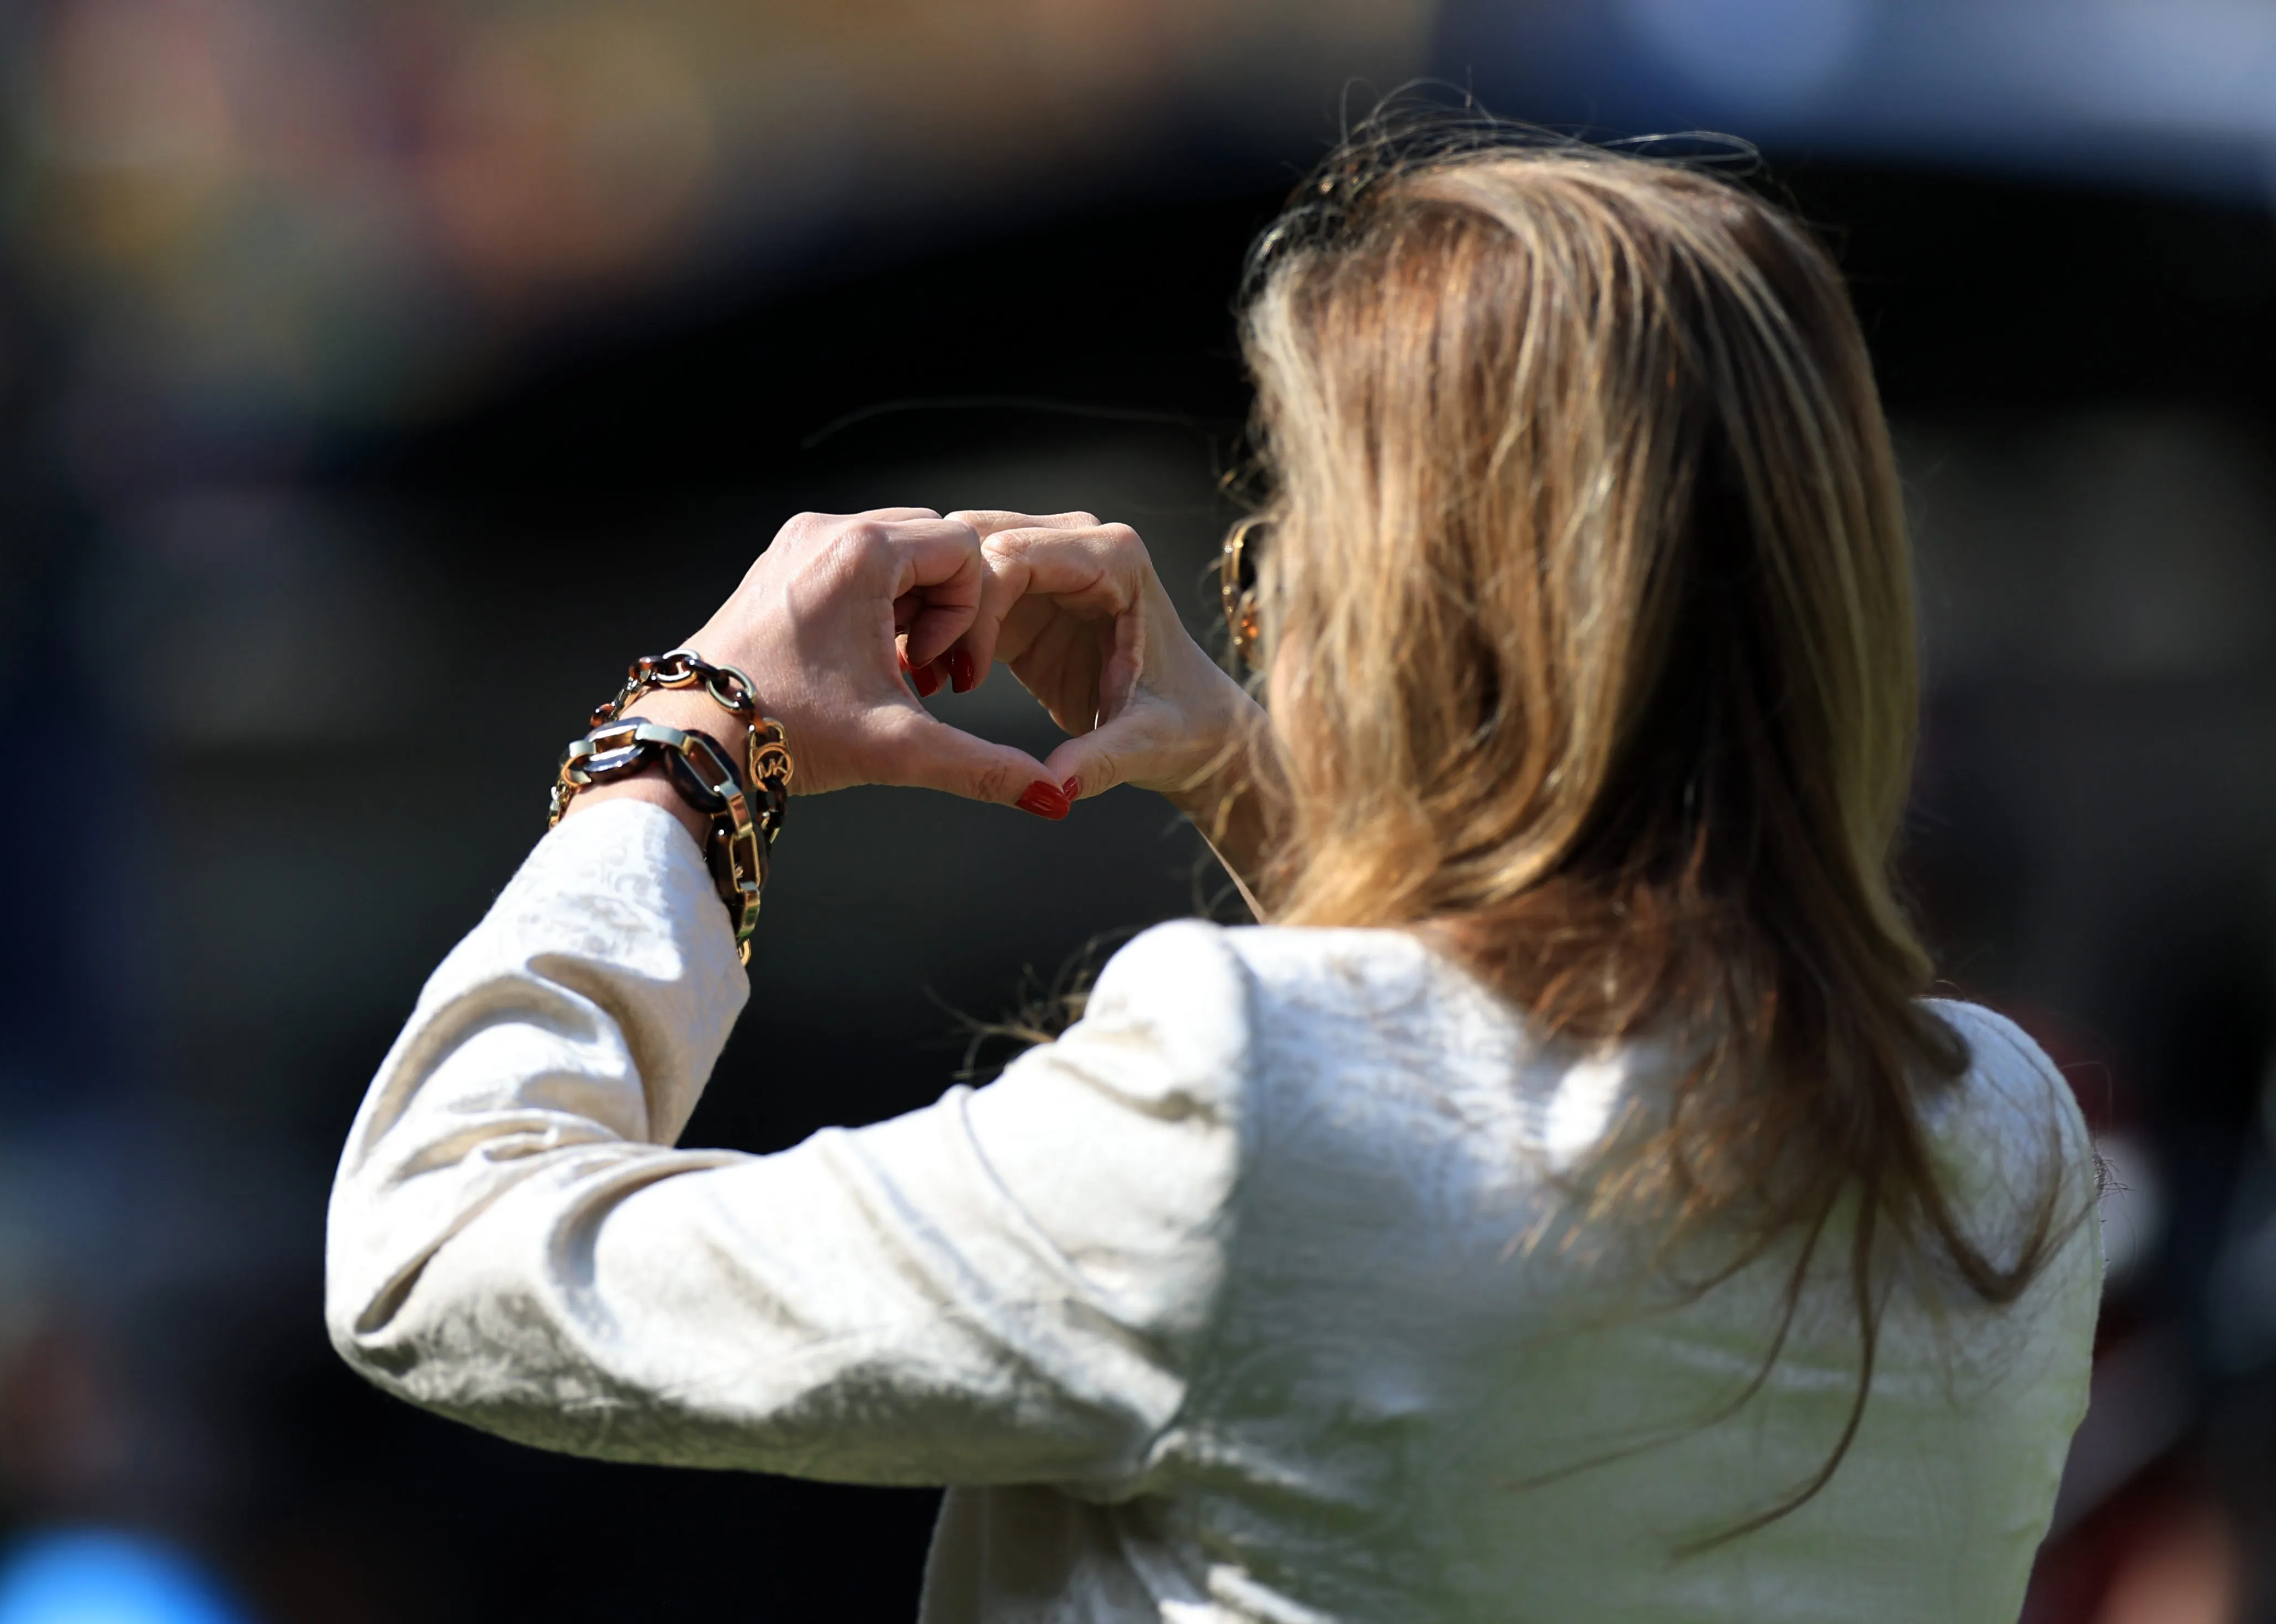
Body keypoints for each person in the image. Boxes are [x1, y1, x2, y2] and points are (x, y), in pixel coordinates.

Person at [323, 114, 2101, 1623]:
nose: (1256, 591)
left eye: (1281, 539)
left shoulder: (1246, 1096)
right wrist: (1257, 772)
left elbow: (435, 1251)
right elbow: (1502, 1126)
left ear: (1399, 606)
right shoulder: (2007, 1149)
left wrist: (689, 737)